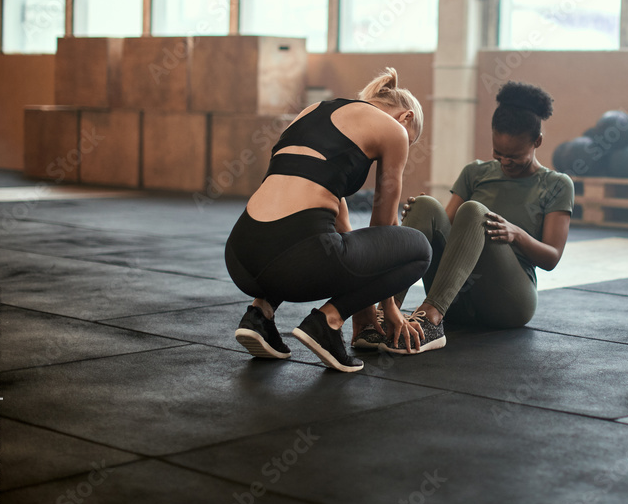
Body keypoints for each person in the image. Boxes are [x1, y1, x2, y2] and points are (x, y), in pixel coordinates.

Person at [225, 69, 430, 372]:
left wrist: (366, 306)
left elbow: (341, 227)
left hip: (240, 256)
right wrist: (388, 309)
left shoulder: (312, 112)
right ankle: (327, 323)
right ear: (406, 118)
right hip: (297, 264)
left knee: (301, 234)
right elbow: (384, 227)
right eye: (410, 143)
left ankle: (260, 314)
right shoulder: (395, 130)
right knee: (419, 249)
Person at [353, 81, 574, 355]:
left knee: (474, 210)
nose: (505, 161)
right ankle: (387, 313)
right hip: (457, 298)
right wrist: (421, 216)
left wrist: (516, 234)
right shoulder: (475, 173)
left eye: (515, 156)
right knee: (425, 204)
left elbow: (552, 258)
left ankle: (431, 318)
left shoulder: (557, 184)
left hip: (508, 303)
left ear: (537, 141)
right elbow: (443, 235)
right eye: (498, 153)